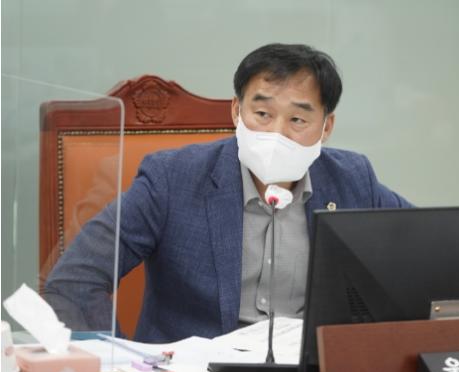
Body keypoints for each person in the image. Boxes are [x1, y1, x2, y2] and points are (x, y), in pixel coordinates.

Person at [44, 43, 412, 343]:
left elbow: (426, 254)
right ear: (237, 111)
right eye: (262, 114)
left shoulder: (352, 180)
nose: (277, 133)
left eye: (298, 120)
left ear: (326, 127)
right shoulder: (172, 178)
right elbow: (75, 280)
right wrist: (129, 367)